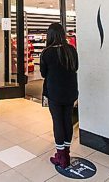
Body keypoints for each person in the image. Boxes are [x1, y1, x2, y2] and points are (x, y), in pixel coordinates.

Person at [41, 23, 78, 169]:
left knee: (58, 122)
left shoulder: (47, 52)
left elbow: (43, 74)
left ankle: (61, 156)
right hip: (70, 91)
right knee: (67, 120)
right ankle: (67, 153)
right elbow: (76, 67)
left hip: (54, 93)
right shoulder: (71, 50)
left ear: (50, 35)